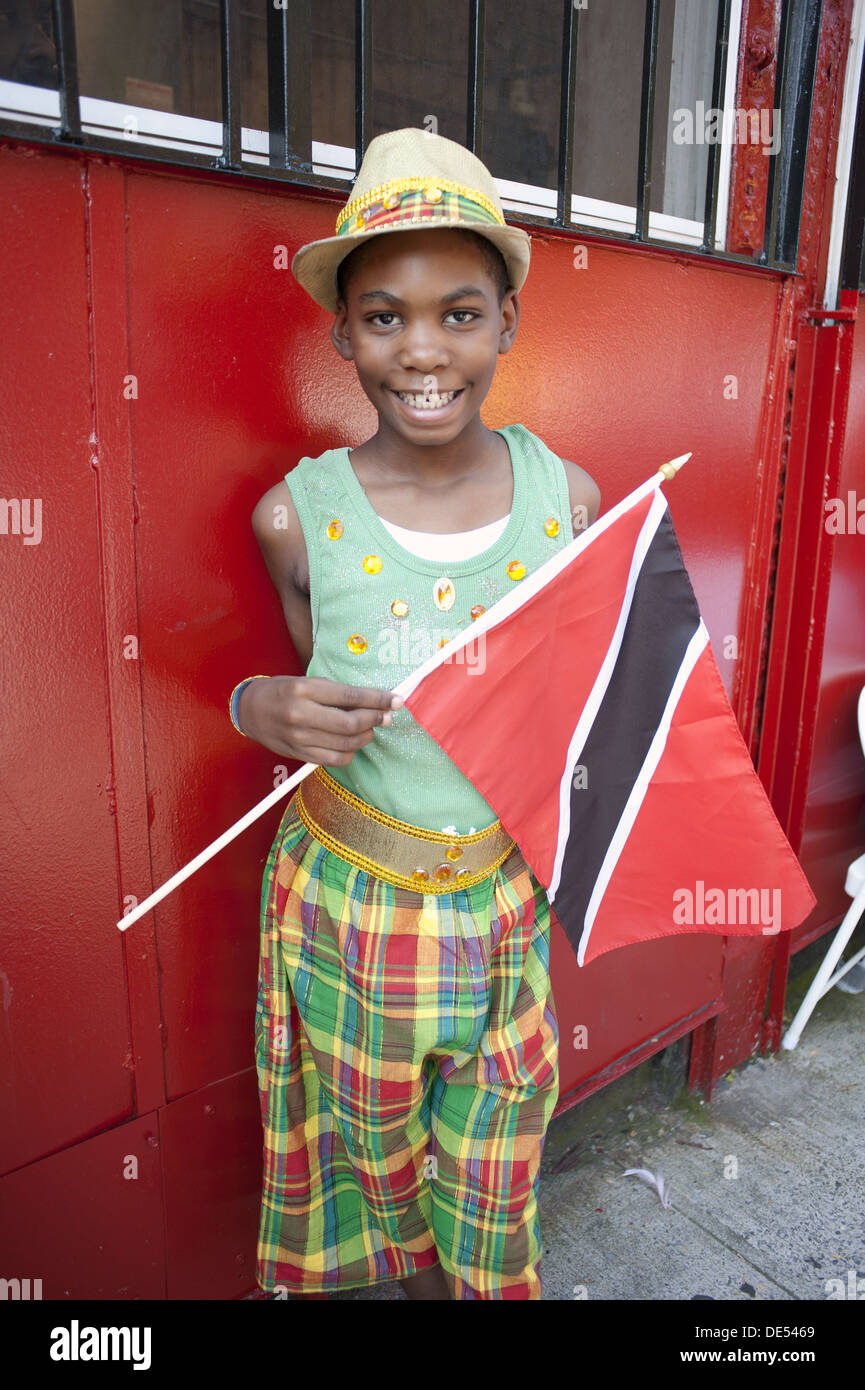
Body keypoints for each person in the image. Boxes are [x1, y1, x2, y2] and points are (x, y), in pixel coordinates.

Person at [233, 127, 601, 1301]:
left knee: (493, 1177)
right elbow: (302, 678)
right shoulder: (296, 516)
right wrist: (258, 707)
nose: (423, 348)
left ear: (507, 321)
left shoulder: (572, 501)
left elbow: (587, 693)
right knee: (372, 1166)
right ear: (341, 335)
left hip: (500, 901)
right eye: (383, 316)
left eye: (458, 310)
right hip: (347, 905)